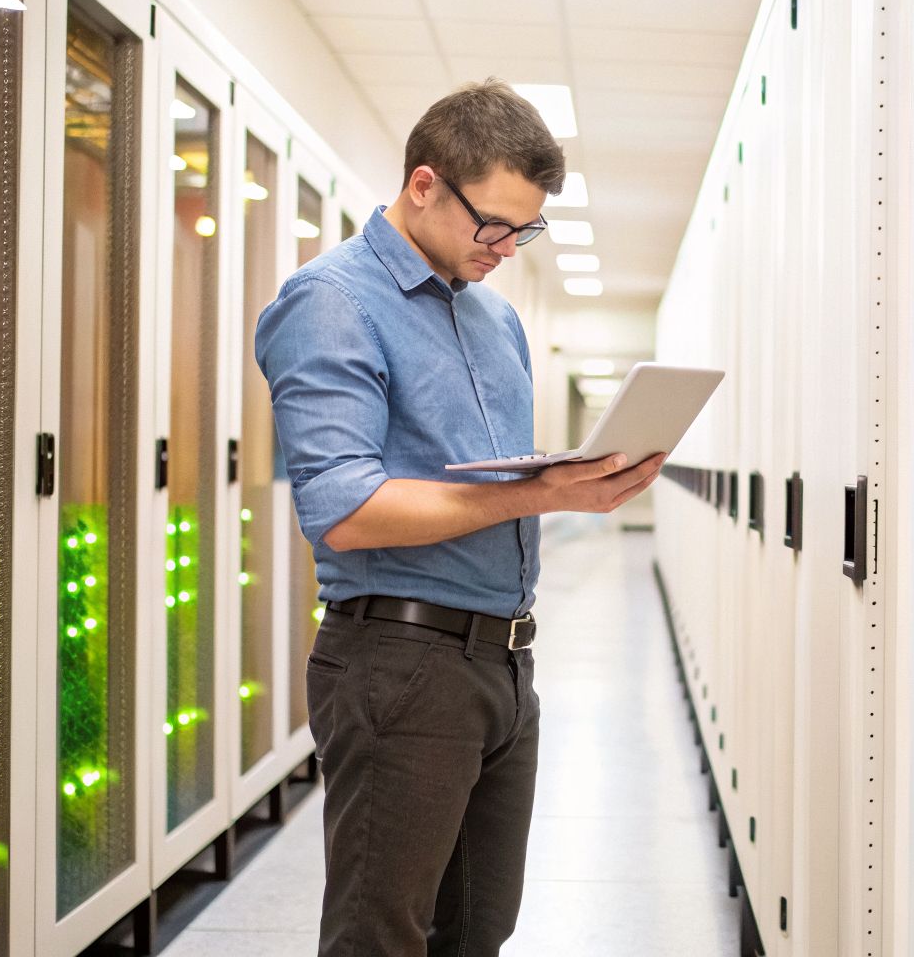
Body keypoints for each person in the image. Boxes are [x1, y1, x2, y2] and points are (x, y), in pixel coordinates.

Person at [254, 78, 666, 955]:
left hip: (505, 665)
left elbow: (485, 480)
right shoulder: (331, 301)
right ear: (424, 184)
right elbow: (347, 509)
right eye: (496, 224)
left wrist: (568, 473)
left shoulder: (494, 317)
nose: (510, 247)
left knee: (479, 929)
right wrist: (546, 492)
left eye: (528, 229)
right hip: (401, 666)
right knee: (383, 934)